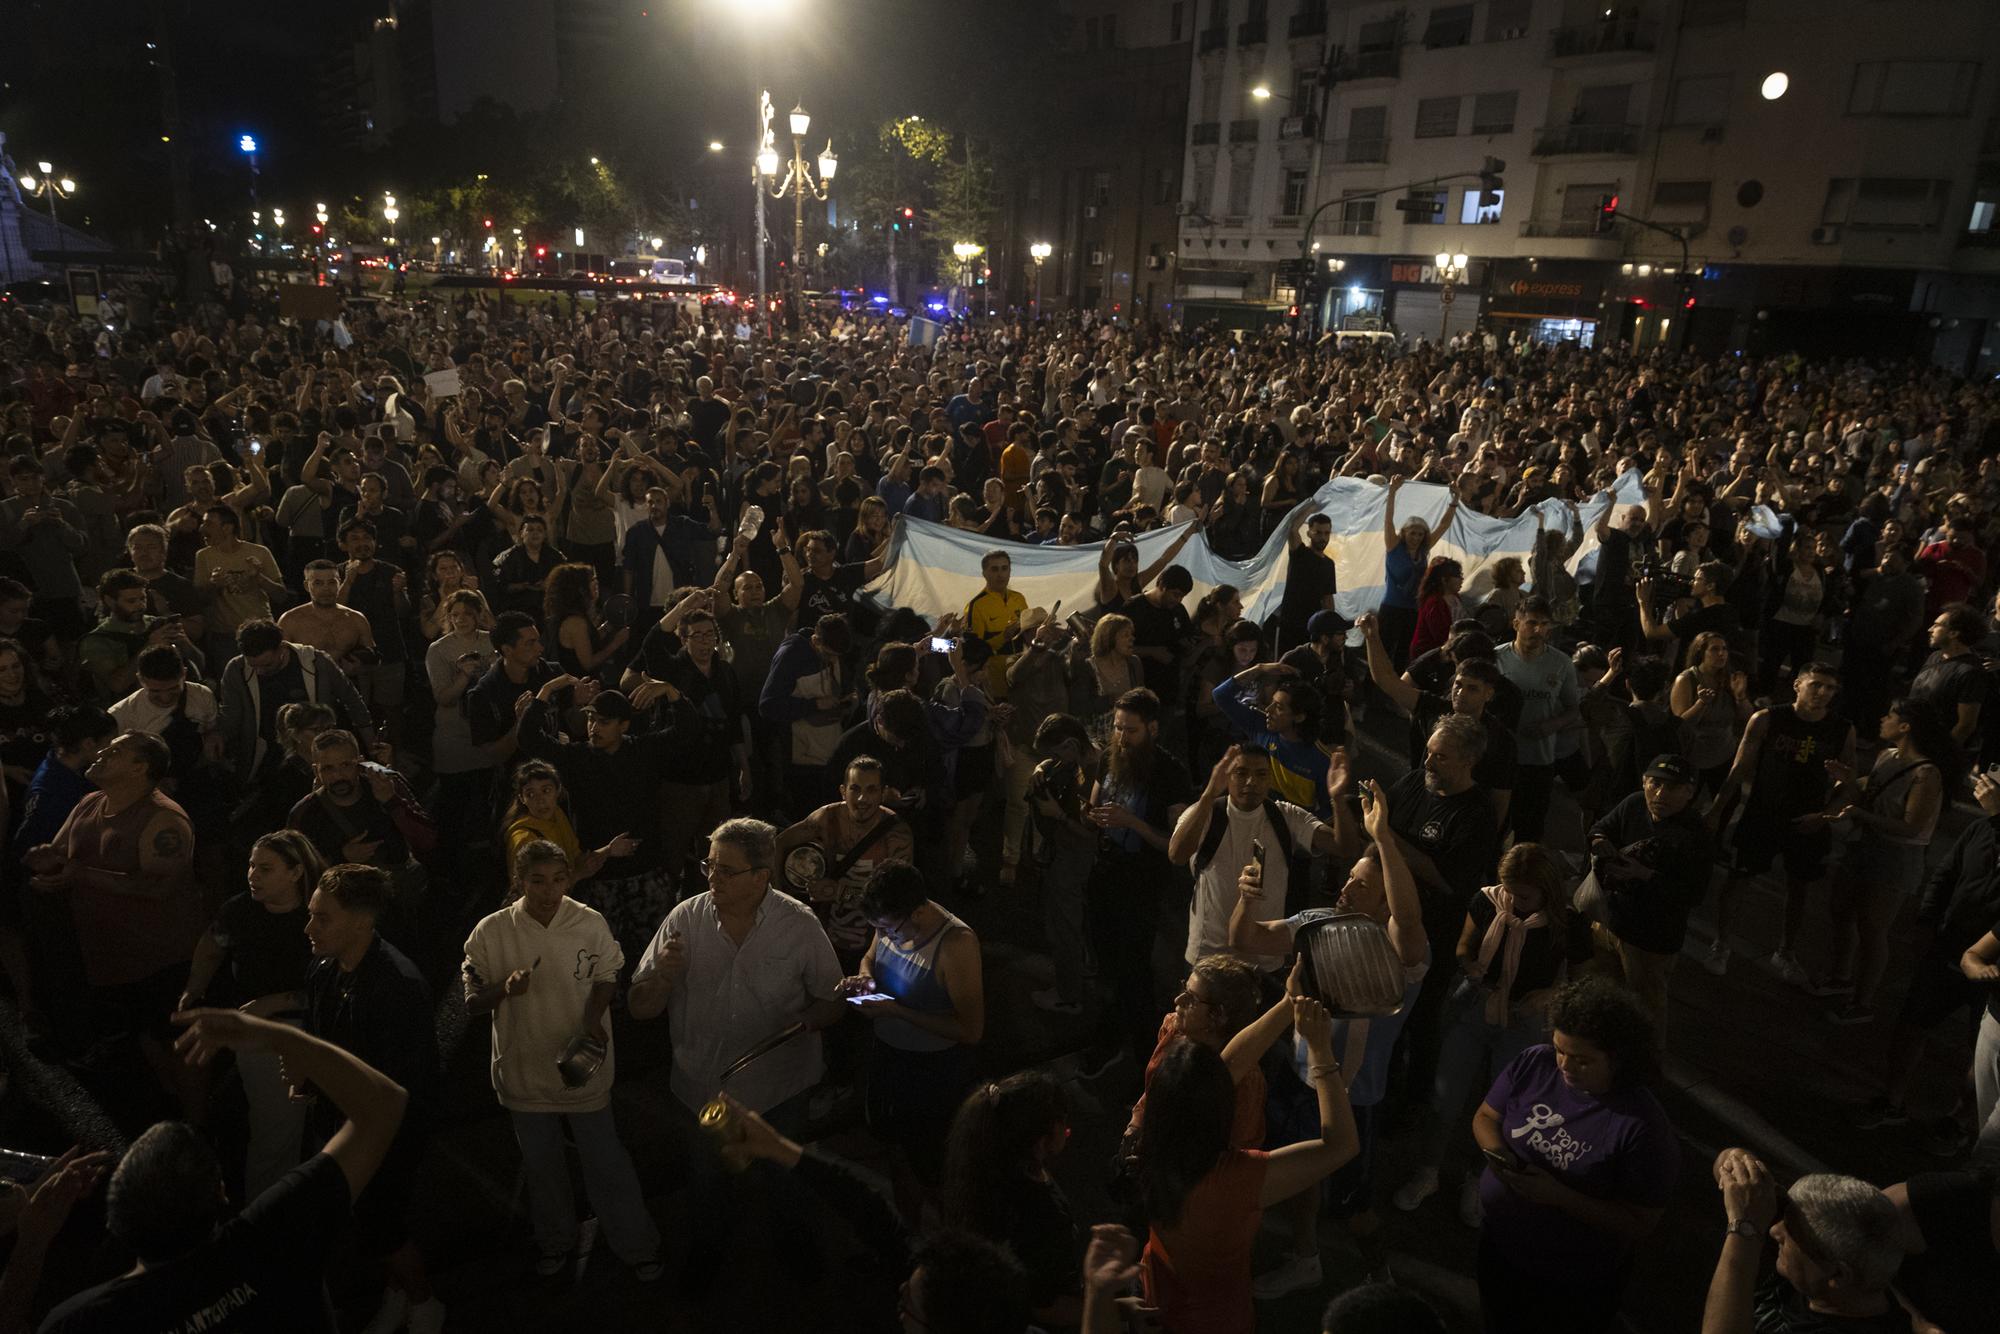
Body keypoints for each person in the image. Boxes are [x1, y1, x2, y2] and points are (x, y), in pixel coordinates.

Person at [37, 1009, 408, 1334]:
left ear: (116, 1221)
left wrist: (30, 1244)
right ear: (221, 1192)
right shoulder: (277, 1238)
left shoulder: (81, 1323)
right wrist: (274, 1034)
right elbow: (386, 1103)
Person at [1229, 781, 1426, 1284]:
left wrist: (1382, 838)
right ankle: (1305, 1258)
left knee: (1353, 1204)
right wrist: (1246, 900)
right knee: (1297, 1178)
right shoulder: (1320, 921)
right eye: (1350, 878)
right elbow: (1246, 940)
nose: (1345, 887)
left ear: (1385, 904)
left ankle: (1380, 1274)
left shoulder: (1400, 959)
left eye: (1362, 885)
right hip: (1297, 1079)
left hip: (1351, 1097)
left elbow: (1408, 916)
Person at [462, 839, 663, 1281]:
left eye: (558, 880)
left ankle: (636, 1244)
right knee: (542, 1168)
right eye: (537, 881)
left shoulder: (588, 922)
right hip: (524, 1071)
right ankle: (555, 1241)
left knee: (606, 1161)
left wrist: (591, 1019)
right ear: (519, 882)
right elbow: (473, 1000)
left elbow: (607, 974)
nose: (549, 891)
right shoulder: (492, 932)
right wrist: (503, 990)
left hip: (582, 1070)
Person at [1133, 995, 1356, 1334]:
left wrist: (1287, 1003)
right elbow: (1341, 1145)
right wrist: (1322, 1052)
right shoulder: (1235, 1178)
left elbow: (1228, 1067)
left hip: (1158, 1290)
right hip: (1213, 1320)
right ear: (1222, 1109)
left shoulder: (1147, 1139)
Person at [1392, 843, 1585, 1224]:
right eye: (1508, 889)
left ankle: (1477, 1181)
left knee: (1503, 1112)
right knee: (1445, 1098)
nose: (1512, 900)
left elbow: (1585, 980)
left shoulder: (1567, 923)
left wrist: (1548, 994)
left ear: (1546, 889)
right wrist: (1470, 966)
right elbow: (1464, 946)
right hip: (1475, 1008)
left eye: (1523, 895)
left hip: (1525, 1020)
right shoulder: (1487, 902)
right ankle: (1428, 1172)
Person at [1473, 977, 1678, 1334]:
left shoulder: (1641, 1127)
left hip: (1569, 1280)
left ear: (1619, 1059)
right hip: (1499, 1246)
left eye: (1583, 1060)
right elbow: (1486, 1117)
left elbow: (1640, 1222)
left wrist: (1560, 1197)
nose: (1565, 1066)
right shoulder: (1535, 1063)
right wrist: (1500, 1158)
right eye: (1560, 1050)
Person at [23, 732, 203, 1117]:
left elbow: (158, 888)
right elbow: (61, 856)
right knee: (142, 1042)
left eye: (115, 751)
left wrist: (78, 874)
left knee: (175, 1044)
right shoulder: (90, 803)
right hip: (108, 957)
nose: (101, 752)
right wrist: (46, 863)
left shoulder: (163, 820)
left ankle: (202, 1126)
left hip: (158, 958)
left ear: (141, 768)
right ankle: (169, 1110)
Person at [628, 817, 845, 1121]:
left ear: (760, 877)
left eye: (727, 871)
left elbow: (834, 1001)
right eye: (710, 866)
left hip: (778, 1094)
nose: (713, 878)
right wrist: (662, 978)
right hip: (701, 1093)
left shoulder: (798, 924)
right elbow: (639, 1008)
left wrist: (802, 1024)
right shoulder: (685, 920)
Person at [178, 830, 327, 1199]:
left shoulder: (318, 917)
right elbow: (212, 946)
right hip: (253, 1032)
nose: (252, 875)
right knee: (264, 1126)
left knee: (278, 1134)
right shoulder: (240, 910)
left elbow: (336, 987)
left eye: (265, 868)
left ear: (295, 873)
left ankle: (269, 1209)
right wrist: (193, 989)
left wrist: (273, 1003)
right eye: (250, 865)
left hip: (301, 1030)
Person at [843, 862, 985, 1211]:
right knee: (894, 1145)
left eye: (888, 929)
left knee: (933, 1163)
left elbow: (971, 1030)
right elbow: (869, 958)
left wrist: (898, 1011)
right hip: (888, 1055)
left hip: (934, 1071)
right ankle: (909, 1230)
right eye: (877, 928)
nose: (883, 936)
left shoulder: (956, 945)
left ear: (918, 912)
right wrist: (865, 980)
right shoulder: (888, 918)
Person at [1707, 662, 1856, 981]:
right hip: (1764, 813)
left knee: (1800, 887)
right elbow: (1738, 769)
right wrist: (1717, 810)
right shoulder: (1768, 719)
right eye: (1816, 684)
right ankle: (1721, 943)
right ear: (1798, 684)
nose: (1823, 693)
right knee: (1739, 879)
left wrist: (1826, 814)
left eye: (1830, 688)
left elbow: (1849, 781)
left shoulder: (1842, 729)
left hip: (1810, 816)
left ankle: (1786, 951)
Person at [1814, 697, 1952, 1025]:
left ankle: (1863, 1002)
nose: (1882, 719)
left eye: (1889, 715)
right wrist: (1849, 782)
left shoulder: (1926, 773)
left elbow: (1911, 826)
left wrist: (1860, 813)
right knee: (1842, 910)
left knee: (1874, 928)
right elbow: (1870, 797)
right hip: (1864, 847)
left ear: (1906, 726)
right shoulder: (1887, 756)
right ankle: (1840, 977)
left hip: (1896, 858)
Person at [1083, 688, 1195, 1073]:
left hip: (1141, 883)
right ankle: (1111, 1035)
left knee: (1134, 968)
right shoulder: (1109, 758)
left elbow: (1176, 846)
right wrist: (1090, 814)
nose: (1121, 738)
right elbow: (1095, 803)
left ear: (1152, 728)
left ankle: (1145, 1052)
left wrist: (1131, 822)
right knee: (1105, 961)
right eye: (1117, 728)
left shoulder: (1171, 774)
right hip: (1104, 871)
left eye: (1130, 730)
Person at [1700, 1150, 1911, 1334]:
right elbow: (1725, 1158)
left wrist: (1744, 1229)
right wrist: (1741, 1165)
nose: (1774, 1230)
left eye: (1790, 1232)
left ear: (1837, 1274)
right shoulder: (1813, 1240)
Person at [1169, 744, 1341, 965]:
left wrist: (1337, 799)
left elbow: (1342, 847)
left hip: (1263, 957)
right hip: (1209, 956)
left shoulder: (1286, 816)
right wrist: (1209, 795)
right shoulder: (1203, 813)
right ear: (1226, 776)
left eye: (1261, 774)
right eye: (1241, 773)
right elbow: (1176, 855)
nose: (1251, 782)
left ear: (1270, 780)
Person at [940, 1071, 1084, 1329]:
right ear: (1040, 1144)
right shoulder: (1043, 1216)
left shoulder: (984, 1174)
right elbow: (1046, 1306)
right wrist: (1109, 1307)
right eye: (1062, 1121)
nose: (1067, 1127)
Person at [1585, 754, 1716, 1033]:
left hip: (1650, 940)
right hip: (1608, 921)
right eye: (1654, 783)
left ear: (1689, 793)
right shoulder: (1633, 804)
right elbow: (1599, 828)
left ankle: (1647, 1068)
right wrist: (1600, 841)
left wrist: (1644, 875)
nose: (1659, 794)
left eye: (1672, 788)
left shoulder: (1696, 835)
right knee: (1600, 999)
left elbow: (1693, 895)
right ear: (1644, 781)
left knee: (1645, 1013)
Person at [1360, 612, 1517, 827]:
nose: (1460, 693)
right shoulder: (1434, 708)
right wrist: (1372, 637)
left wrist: (1489, 840)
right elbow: (1387, 680)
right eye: (1458, 685)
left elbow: (1500, 799)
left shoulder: (1500, 739)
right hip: (1422, 803)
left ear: (1488, 694)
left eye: (1472, 689)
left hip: (1463, 820)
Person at [775, 755, 916, 966]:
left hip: (875, 948)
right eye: (855, 789)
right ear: (843, 791)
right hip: (823, 939)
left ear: (883, 793)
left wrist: (839, 892)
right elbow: (778, 845)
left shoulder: (896, 835)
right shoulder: (827, 819)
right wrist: (779, 901)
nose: (862, 799)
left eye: (871, 790)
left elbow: (898, 902)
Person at [217, 619, 376, 787]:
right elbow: (230, 715)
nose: (259, 671)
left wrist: (372, 748)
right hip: (267, 754)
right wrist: (218, 736)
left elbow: (352, 701)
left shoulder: (316, 662)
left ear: (281, 648)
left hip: (315, 751)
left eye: (267, 664)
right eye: (253, 666)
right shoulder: (237, 670)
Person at [1496, 596, 1581, 842]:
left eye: (1545, 624)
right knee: (1495, 827)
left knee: (1530, 831)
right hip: (1501, 759)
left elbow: (1573, 708)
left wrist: (1551, 725)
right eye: (1532, 623)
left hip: (1539, 761)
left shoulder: (1561, 663)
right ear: (1516, 624)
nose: (1538, 630)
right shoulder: (1496, 659)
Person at [1210, 662, 1334, 817]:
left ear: (1299, 717)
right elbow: (1220, 696)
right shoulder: (1261, 727)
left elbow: (1328, 812)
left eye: (1279, 707)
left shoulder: (1321, 760)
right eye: (1272, 703)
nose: (1268, 710)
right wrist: (1258, 669)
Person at [1379, 476, 1459, 670]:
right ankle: (1371, 690)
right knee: (1383, 650)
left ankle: (1397, 689)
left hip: (1413, 609)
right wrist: (1392, 491)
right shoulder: (1393, 546)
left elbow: (1443, 525)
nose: (1416, 537)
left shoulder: (1423, 551)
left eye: (1420, 534)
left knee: (1404, 652)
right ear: (1404, 533)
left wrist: (1455, 500)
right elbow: (1388, 520)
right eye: (1412, 533)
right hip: (1392, 607)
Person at [1907, 604, 1986, 749]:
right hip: (1910, 741)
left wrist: (1941, 753)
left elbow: (1966, 725)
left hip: (1931, 749)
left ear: (1953, 633)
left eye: (1936, 625)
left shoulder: (1970, 672)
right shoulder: (1935, 656)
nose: (1930, 629)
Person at [962, 549, 1028, 698]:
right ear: (984, 573)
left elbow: (1028, 635)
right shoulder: (976, 605)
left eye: (1004, 569)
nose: (1000, 574)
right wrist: (1003, 637)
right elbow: (972, 651)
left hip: (1020, 674)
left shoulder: (1019, 599)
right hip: (994, 680)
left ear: (1010, 571)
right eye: (994, 569)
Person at [1277, 513, 1337, 654]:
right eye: (1318, 532)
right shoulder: (1300, 553)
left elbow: (1328, 598)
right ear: (1309, 533)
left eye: (1326, 533)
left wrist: (1331, 625)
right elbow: (1292, 529)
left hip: (1312, 625)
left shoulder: (1329, 564)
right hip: (1290, 622)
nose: (1323, 537)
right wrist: (1311, 505)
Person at [1409, 557, 1464, 661]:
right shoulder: (1434, 602)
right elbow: (1441, 635)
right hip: (1427, 655)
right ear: (1444, 580)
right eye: (1458, 576)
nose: (1462, 579)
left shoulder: (1455, 597)